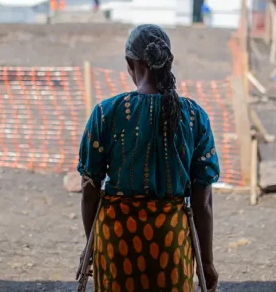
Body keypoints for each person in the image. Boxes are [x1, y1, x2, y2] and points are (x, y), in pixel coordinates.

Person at [78, 24, 220, 292]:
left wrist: (91, 244)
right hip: (170, 242)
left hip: (117, 240)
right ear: (169, 61)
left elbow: (89, 189)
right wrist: (207, 262)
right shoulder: (194, 117)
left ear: (130, 63)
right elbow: (203, 203)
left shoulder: (106, 113)